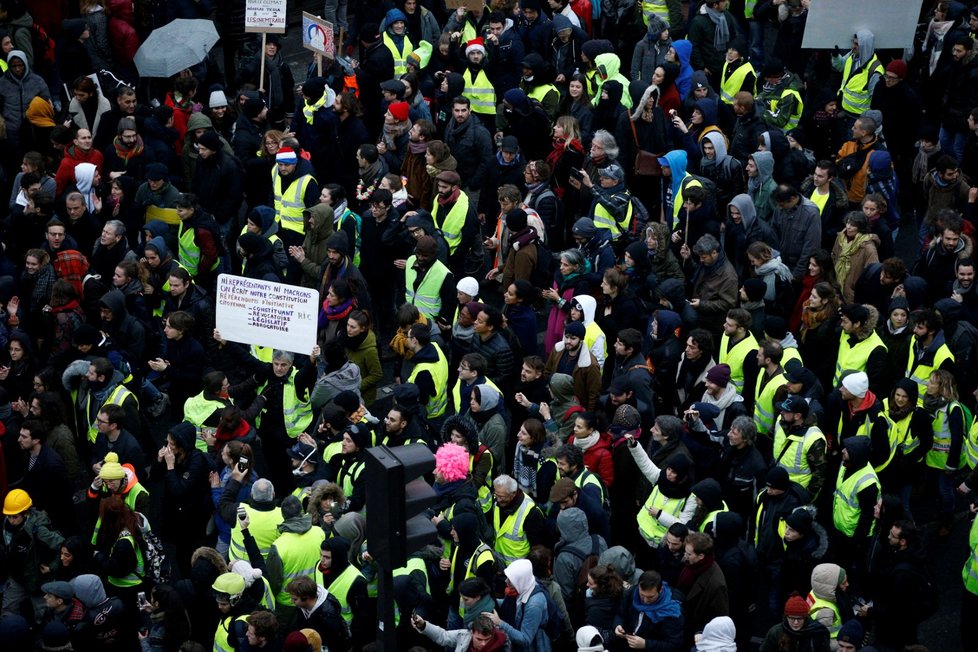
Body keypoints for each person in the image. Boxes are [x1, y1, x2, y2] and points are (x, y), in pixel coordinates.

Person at [613, 569, 684, 651]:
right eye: (642, 595)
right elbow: (620, 614)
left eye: (650, 597)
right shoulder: (632, 593)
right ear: (638, 586)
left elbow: (674, 645)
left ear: (660, 590)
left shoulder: (672, 611)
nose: (645, 600)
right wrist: (618, 625)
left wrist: (646, 644)